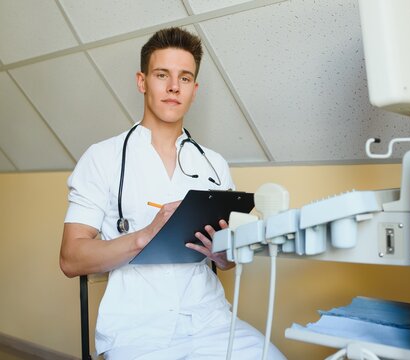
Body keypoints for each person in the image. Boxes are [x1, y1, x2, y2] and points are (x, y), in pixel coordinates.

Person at [60, 27, 286, 360]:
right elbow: (70, 258)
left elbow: (227, 263)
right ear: (142, 82)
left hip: (211, 319)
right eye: (162, 75)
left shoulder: (214, 164)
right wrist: (146, 235)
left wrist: (222, 255)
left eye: (184, 78)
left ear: (194, 90)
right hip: (137, 328)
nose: (172, 87)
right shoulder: (102, 158)